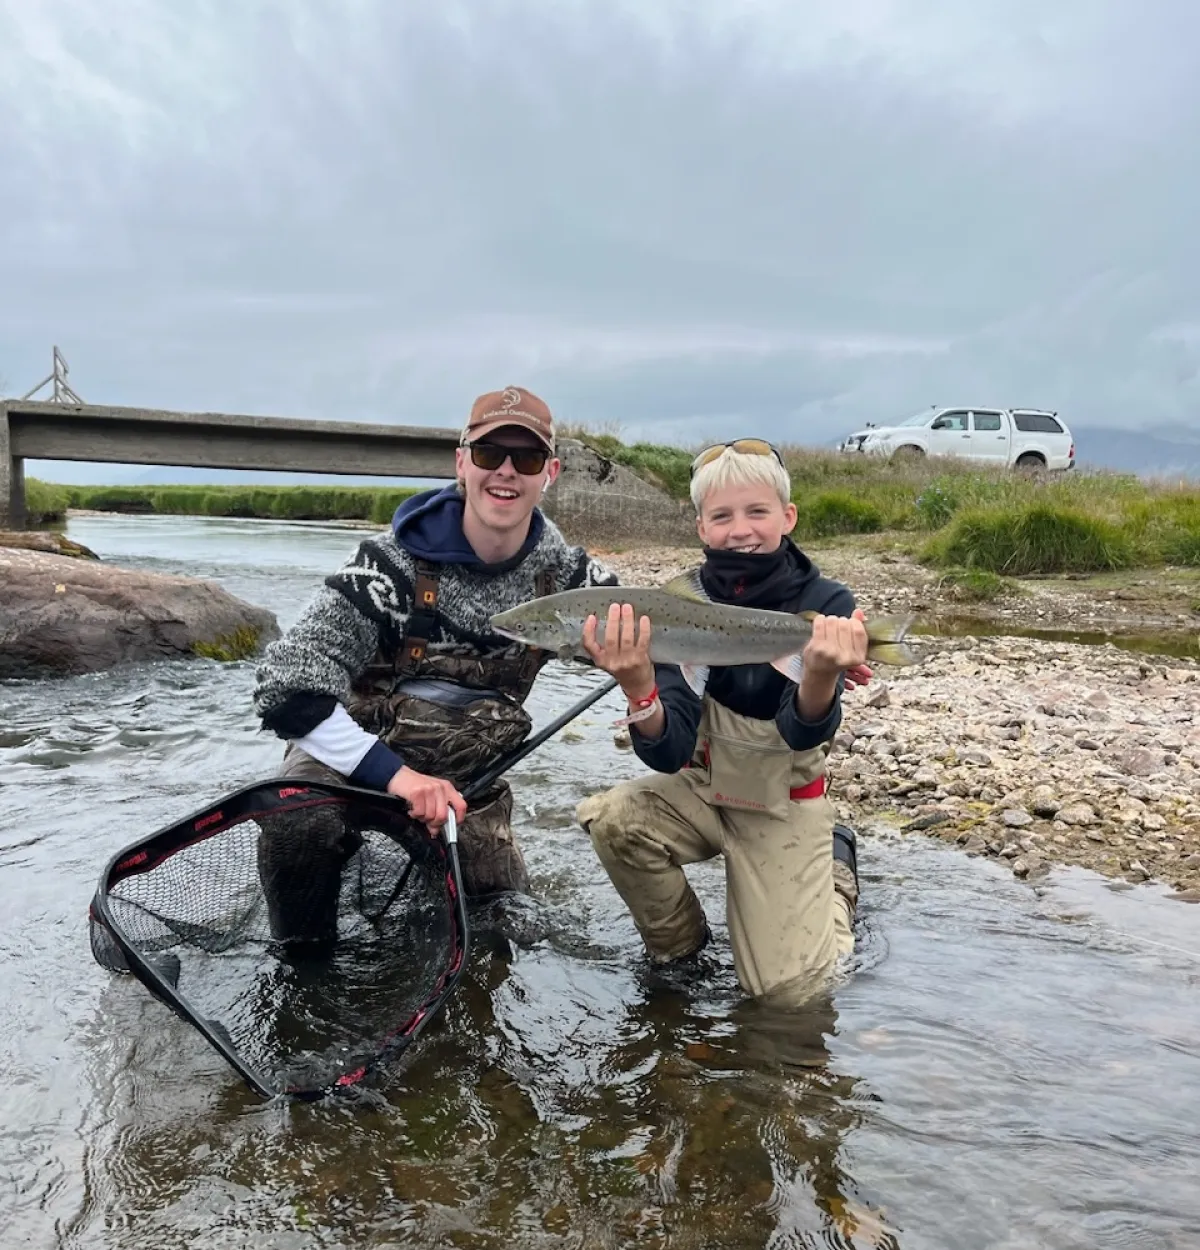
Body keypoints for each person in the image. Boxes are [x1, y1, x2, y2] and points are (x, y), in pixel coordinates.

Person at [251, 385, 619, 953]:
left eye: (524, 459)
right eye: (489, 454)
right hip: (352, 761)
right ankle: (304, 968)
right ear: (461, 462)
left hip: (467, 782)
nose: (506, 472)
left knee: (496, 929)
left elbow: (671, 651)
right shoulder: (387, 565)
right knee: (297, 823)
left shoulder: (574, 582)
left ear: (550, 472)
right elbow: (284, 689)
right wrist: (399, 779)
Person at [575, 439, 869, 1006]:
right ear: (701, 528)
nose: (741, 530)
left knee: (790, 998)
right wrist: (639, 688)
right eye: (722, 516)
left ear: (788, 517)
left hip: (784, 803)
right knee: (612, 819)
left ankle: (834, 881)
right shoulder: (669, 609)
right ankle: (681, 955)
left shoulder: (824, 601)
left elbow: (802, 733)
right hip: (703, 788)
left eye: (757, 512)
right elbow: (669, 752)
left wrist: (820, 676)